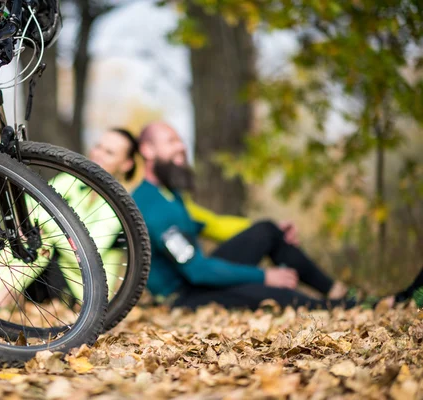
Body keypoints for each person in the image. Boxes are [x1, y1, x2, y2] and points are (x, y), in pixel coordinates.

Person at [131, 121, 423, 310]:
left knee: (268, 230)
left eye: (180, 139)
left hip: (197, 278)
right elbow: (197, 270)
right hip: (185, 296)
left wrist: (268, 230)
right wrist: (265, 275)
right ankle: (361, 307)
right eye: (170, 141)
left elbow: (210, 225)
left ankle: (339, 293)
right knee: (276, 296)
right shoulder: (149, 204)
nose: (181, 146)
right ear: (147, 150)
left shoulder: (171, 195)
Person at [0, 128, 140, 312]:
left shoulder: (121, 204)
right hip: (46, 272)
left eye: (109, 152)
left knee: (40, 238)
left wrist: (43, 224)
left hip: (82, 287)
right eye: (98, 146)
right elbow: (28, 207)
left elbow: (89, 252)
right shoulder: (70, 180)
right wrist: (34, 225)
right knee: (32, 237)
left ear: (126, 164)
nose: (98, 154)